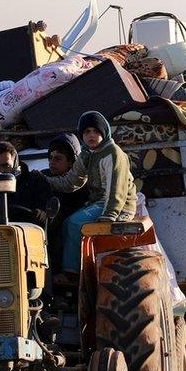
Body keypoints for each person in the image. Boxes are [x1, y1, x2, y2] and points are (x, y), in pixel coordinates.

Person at [57, 111, 137, 281]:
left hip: (118, 205)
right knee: (64, 224)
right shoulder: (87, 154)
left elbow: (116, 190)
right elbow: (72, 182)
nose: (91, 135)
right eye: (87, 132)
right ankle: (73, 269)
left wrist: (109, 215)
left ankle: (73, 274)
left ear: (104, 132)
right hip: (99, 202)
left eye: (96, 131)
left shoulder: (113, 153)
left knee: (74, 223)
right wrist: (46, 181)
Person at [42, 133, 91, 272]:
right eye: (50, 158)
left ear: (71, 162)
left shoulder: (81, 183)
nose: (52, 162)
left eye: (58, 159)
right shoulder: (42, 177)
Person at [0, 141, 52, 225]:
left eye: (6, 166)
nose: (1, 171)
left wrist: (42, 214)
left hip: (25, 232)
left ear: (15, 163)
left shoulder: (35, 181)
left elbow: (48, 213)